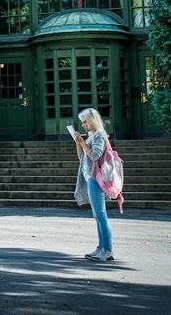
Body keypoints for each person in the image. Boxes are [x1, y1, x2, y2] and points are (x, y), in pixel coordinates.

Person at [72, 107, 114, 261]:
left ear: (92, 120)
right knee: (97, 216)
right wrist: (78, 143)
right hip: (90, 177)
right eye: (82, 122)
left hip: (97, 178)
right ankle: (101, 247)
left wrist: (83, 143)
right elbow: (82, 158)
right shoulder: (91, 136)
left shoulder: (100, 135)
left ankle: (107, 250)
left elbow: (95, 155)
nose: (83, 125)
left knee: (101, 215)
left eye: (85, 122)